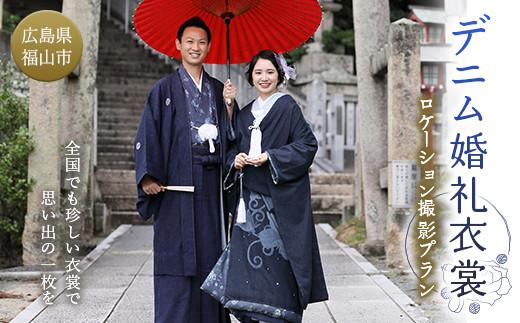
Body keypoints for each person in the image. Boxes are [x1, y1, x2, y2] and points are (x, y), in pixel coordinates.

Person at [202, 50, 328, 323]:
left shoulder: (287, 107)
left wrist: (271, 157)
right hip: (249, 203)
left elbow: (307, 145)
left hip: (278, 205)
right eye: (258, 72)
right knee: (249, 269)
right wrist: (234, 158)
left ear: (279, 75)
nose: (264, 77)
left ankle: (279, 317)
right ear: (250, 77)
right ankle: (251, 317)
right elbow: (231, 145)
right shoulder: (244, 113)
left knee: (277, 265)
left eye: (270, 72)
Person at [134, 16, 237, 323]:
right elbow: (148, 134)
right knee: (175, 258)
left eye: (202, 42)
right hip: (176, 186)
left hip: (211, 184)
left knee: (211, 255)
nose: (195, 47)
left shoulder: (220, 90)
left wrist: (230, 108)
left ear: (209, 48)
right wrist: (149, 176)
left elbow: (235, 138)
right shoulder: (163, 89)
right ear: (178, 45)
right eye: (189, 41)